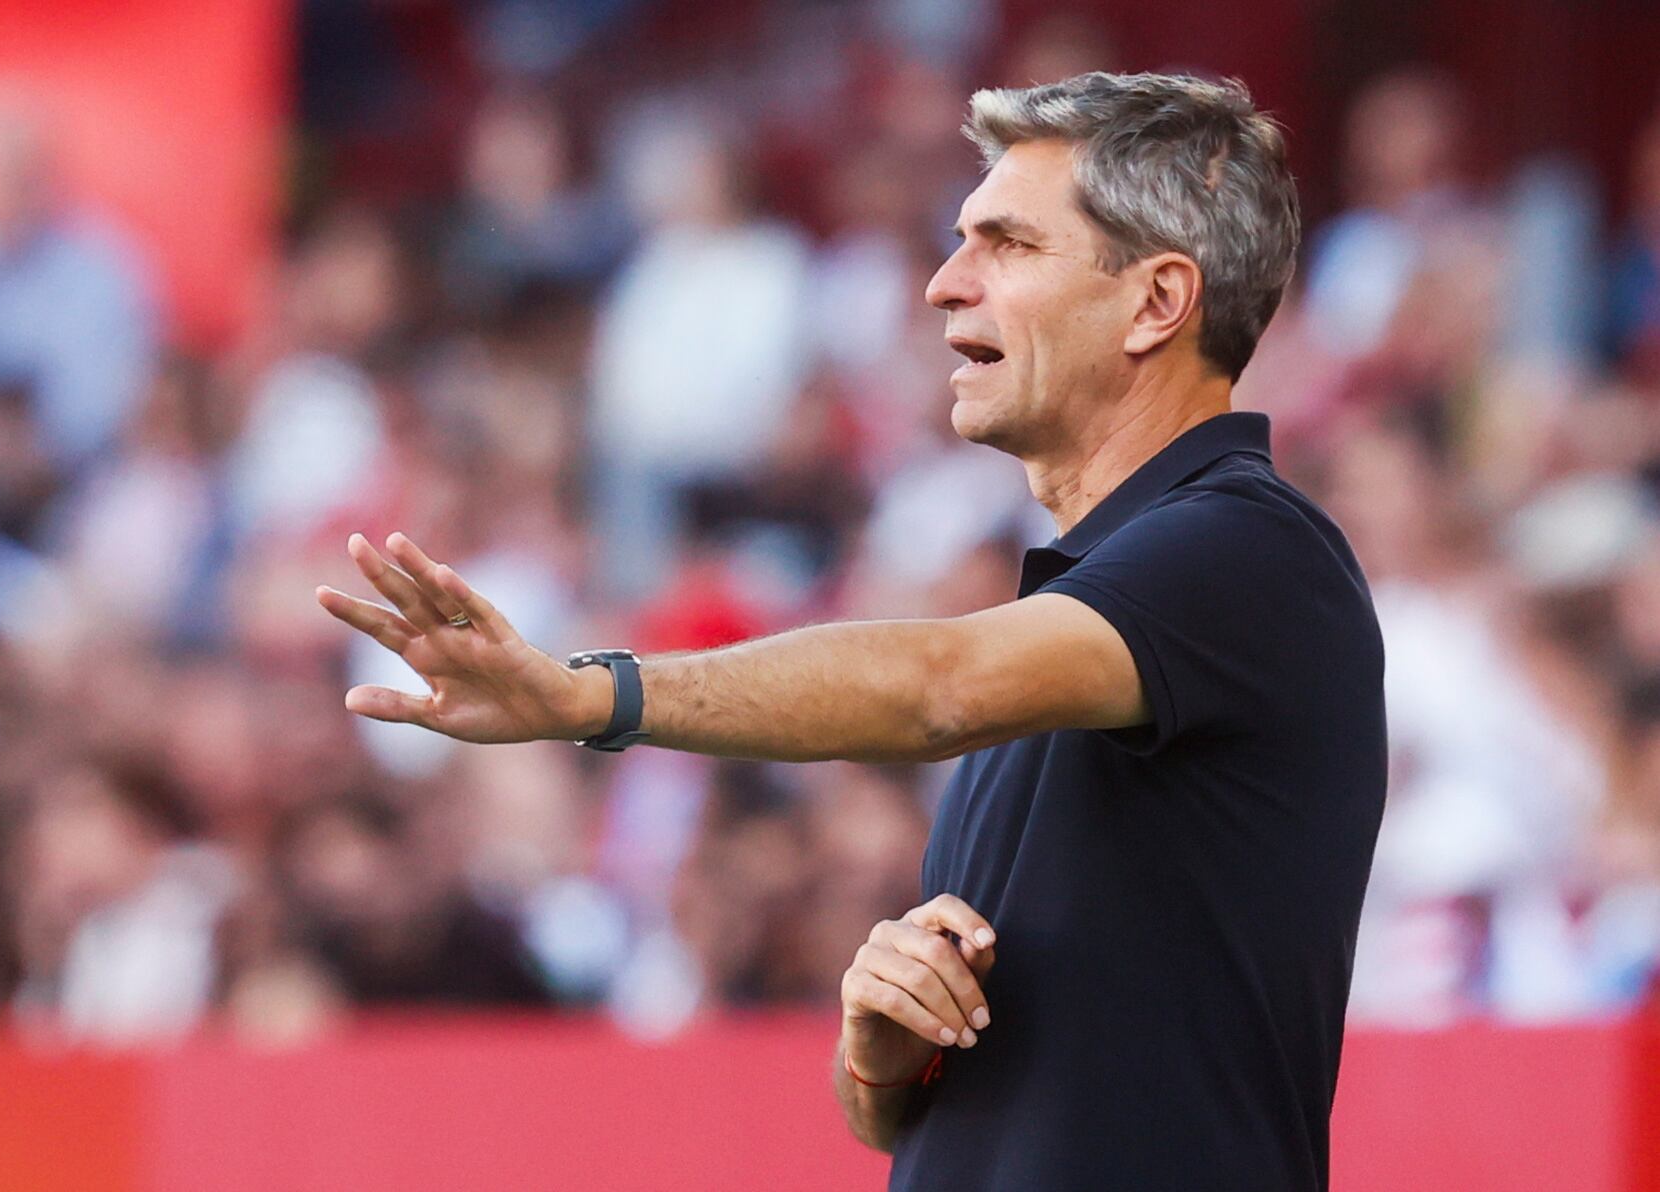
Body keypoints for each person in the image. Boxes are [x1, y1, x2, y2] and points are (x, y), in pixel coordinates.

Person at [317, 72, 1386, 1192]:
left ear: (1158, 302)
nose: (942, 284)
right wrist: (880, 1054)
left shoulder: (1250, 550)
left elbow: (936, 686)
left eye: (1008, 245)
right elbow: (915, 1123)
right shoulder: (1089, 618)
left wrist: (591, 696)